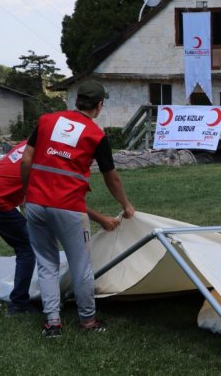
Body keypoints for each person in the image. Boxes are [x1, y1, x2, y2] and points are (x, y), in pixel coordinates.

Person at [21, 80, 135, 337]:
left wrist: (28, 192)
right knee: (80, 265)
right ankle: (88, 321)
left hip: (36, 204)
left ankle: (52, 323)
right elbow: (111, 177)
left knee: (46, 263)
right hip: (69, 206)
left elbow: (27, 159)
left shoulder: (46, 121)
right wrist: (126, 205)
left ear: (75, 101)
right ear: (99, 105)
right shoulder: (96, 135)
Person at [0, 141, 120, 311]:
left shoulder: (27, 144)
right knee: (27, 248)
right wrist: (102, 219)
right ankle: (19, 303)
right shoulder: (50, 160)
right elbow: (69, 200)